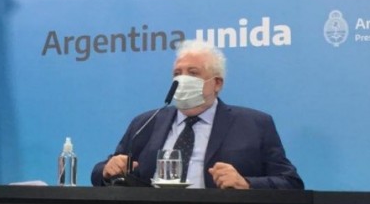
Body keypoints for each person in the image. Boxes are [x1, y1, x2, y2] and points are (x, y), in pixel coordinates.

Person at [91, 40, 303, 189]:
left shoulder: (254, 124)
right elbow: (102, 172)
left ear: (217, 83)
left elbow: (290, 182)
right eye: (177, 74)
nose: (182, 80)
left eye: (193, 73)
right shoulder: (145, 123)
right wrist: (108, 170)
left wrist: (246, 184)